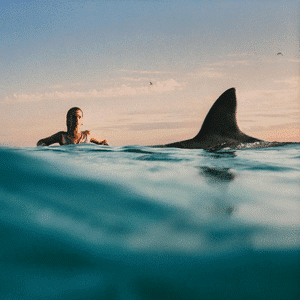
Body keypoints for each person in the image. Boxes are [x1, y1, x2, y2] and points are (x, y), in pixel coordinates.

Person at [37, 107, 109, 146]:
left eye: (79, 117)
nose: (77, 119)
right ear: (68, 120)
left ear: (82, 121)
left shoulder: (87, 135)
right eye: (74, 117)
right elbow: (40, 142)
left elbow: (104, 141)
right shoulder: (61, 136)